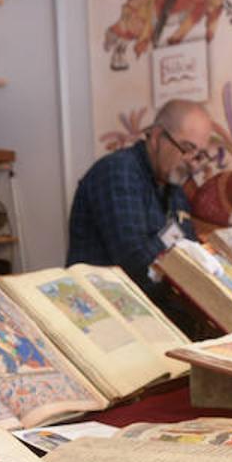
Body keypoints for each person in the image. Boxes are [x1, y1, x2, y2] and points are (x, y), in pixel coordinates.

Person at [66, 99, 215, 331]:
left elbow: (189, 255)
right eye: (186, 149)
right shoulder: (118, 172)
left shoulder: (173, 185)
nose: (193, 164)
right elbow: (135, 263)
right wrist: (176, 241)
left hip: (148, 310)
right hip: (104, 315)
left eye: (200, 155)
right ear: (156, 137)